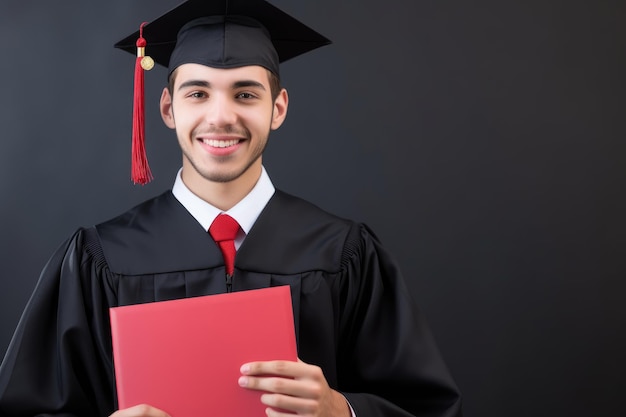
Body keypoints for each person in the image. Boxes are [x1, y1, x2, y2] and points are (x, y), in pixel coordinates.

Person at [0, 0, 462, 416]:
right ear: (167, 108)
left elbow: (430, 409)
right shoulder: (101, 258)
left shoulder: (343, 254)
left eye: (245, 93)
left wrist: (344, 412)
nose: (221, 116)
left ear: (278, 108)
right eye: (198, 92)